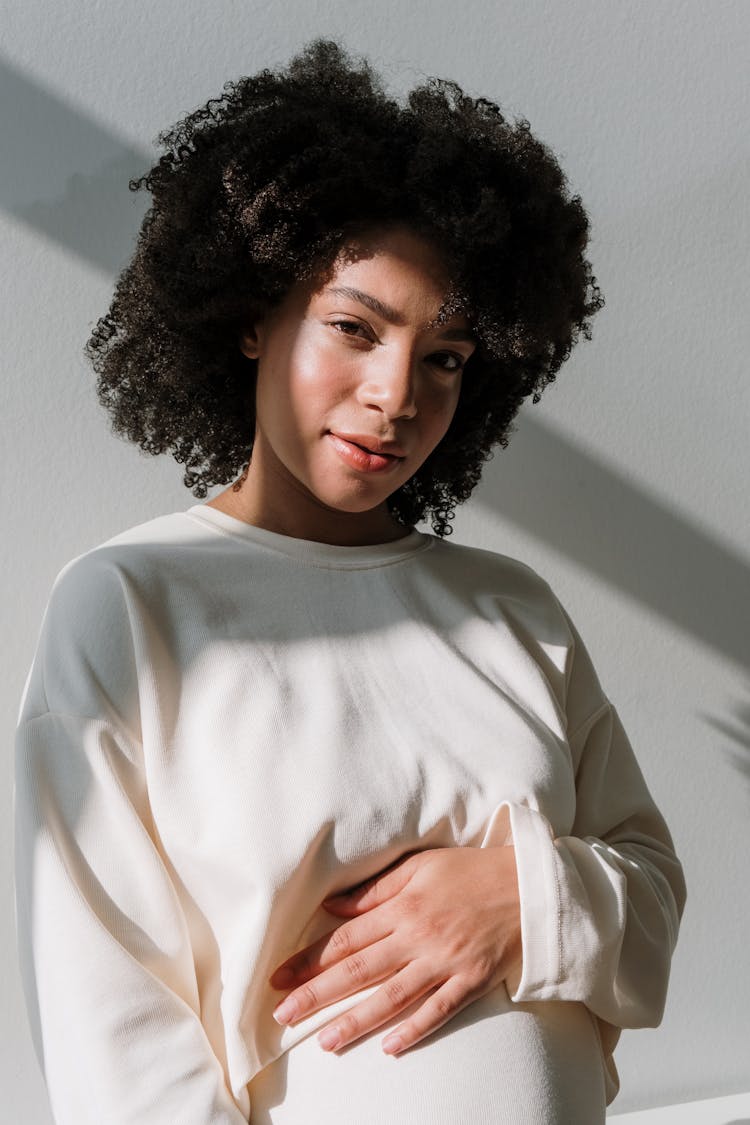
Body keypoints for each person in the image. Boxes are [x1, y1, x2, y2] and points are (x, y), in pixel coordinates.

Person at [13, 38, 686, 1125]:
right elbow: (114, 1023)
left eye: (447, 356)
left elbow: (652, 894)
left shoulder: (510, 607)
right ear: (250, 316)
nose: (396, 395)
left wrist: (521, 892)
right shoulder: (131, 603)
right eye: (353, 328)